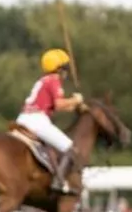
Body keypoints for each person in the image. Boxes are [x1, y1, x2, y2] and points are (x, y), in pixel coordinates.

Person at [16, 49, 85, 195]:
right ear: (59, 69)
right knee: (71, 149)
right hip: (37, 120)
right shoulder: (54, 79)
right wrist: (76, 99)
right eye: (64, 69)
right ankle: (58, 183)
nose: (65, 73)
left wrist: (76, 105)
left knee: (49, 150)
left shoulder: (42, 80)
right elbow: (59, 104)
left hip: (23, 118)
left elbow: (57, 106)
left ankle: (54, 176)